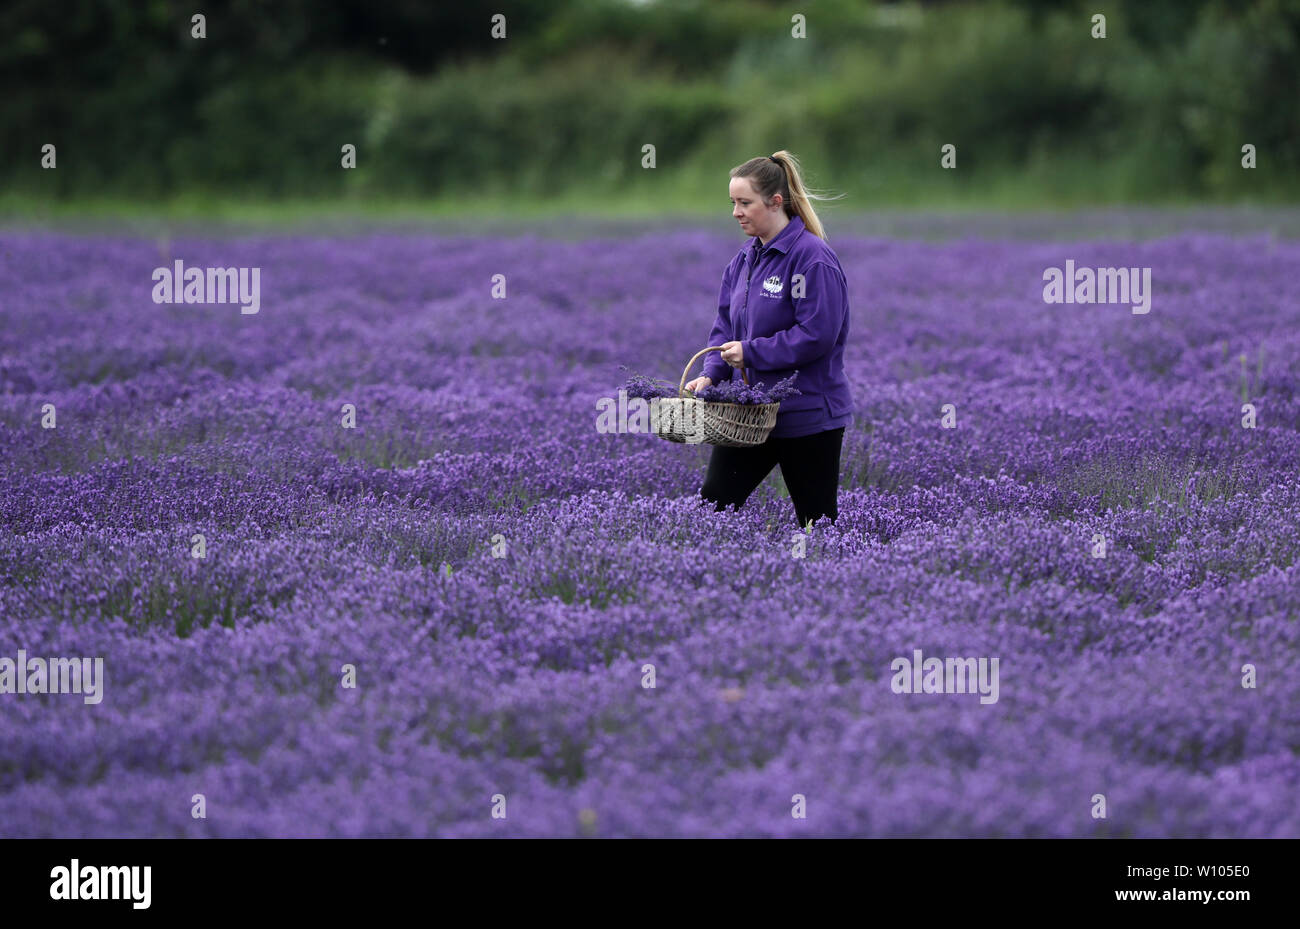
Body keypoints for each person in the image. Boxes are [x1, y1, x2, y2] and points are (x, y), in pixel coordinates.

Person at [689, 151, 852, 529]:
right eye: (733, 203)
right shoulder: (744, 261)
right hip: (751, 416)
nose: (736, 212)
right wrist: (712, 372)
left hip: (808, 415)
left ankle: (822, 585)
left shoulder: (812, 259)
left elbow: (818, 336)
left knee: (816, 525)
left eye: (745, 202)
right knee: (712, 508)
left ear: (775, 202)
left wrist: (751, 353)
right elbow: (725, 324)